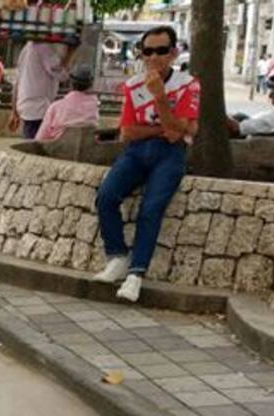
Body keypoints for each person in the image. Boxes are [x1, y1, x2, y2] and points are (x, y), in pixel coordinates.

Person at [93, 25, 199, 303]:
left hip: (170, 154)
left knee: (151, 208)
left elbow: (178, 134)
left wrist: (160, 98)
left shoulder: (188, 84)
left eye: (161, 51)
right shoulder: (133, 85)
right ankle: (117, 257)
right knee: (106, 196)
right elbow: (127, 132)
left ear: (173, 53)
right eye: (147, 51)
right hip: (136, 151)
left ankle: (136, 273)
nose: (153, 57)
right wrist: (168, 127)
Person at [8, 40, 76, 139]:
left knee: (30, 141)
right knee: (36, 144)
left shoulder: (27, 47)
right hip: (39, 108)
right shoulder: (43, 48)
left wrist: (14, 110)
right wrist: (70, 53)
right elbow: (62, 75)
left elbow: (17, 81)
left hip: (26, 106)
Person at [35, 63, 98, 142]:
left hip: (58, 148)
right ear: (91, 85)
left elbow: (40, 138)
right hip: (86, 148)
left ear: (70, 83)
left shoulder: (55, 107)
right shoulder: (94, 106)